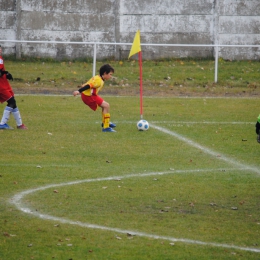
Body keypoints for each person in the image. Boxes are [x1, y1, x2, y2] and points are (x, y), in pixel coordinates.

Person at [73, 64, 116, 132]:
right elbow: (88, 86)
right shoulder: (98, 81)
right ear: (105, 73)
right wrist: (79, 91)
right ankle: (106, 127)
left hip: (91, 95)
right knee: (106, 106)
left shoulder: (98, 77)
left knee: (106, 106)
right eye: (110, 74)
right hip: (88, 96)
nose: (111, 76)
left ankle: (105, 122)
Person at [0, 45, 27, 130]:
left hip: (4, 84)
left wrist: (5, 74)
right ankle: (2, 124)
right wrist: (5, 73)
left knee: (13, 103)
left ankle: (20, 125)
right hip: (1, 86)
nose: (0, 50)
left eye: (0, 48)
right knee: (11, 102)